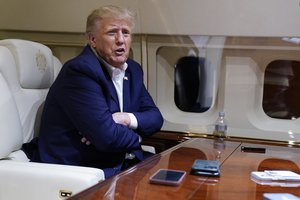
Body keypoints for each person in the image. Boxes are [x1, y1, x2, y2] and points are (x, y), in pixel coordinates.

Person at [23, 5, 163, 179]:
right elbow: (107, 137)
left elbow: (156, 118)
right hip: (81, 169)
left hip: (119, 162)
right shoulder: (80, 71)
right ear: (93, 39)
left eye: (125, 33)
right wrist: (137, 137)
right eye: (112, 33)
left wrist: (125, 118)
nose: (121, 40)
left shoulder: (133, 70)